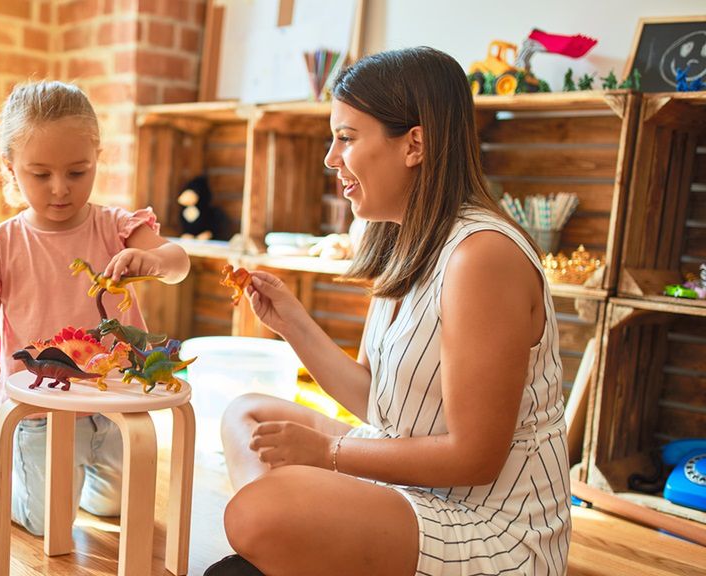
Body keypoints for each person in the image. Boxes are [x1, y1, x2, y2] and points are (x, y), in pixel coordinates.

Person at [206, 47, 570, 576]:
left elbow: (476, 457)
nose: (331, 158)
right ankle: (304, 544)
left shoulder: (482, 256)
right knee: (247, 413)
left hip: (490, 528)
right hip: (410, 486)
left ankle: (298, 543)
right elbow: (383, 408)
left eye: (347, 138)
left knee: (264, 511)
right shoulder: (403, 242)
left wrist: (327, 454)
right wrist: (292, 324)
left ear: (414, 144)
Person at [0, 80, 190, 536]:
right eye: (40, 175)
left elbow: (178, 263)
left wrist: (154, 260)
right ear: (10, 168)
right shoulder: (1, 243)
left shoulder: (117, 226)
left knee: (117, 508)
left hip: (116, 397)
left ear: (97, 157)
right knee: (46, 523)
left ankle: (76, 480)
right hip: (43, 410)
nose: (60, 189)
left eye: (77, 172)